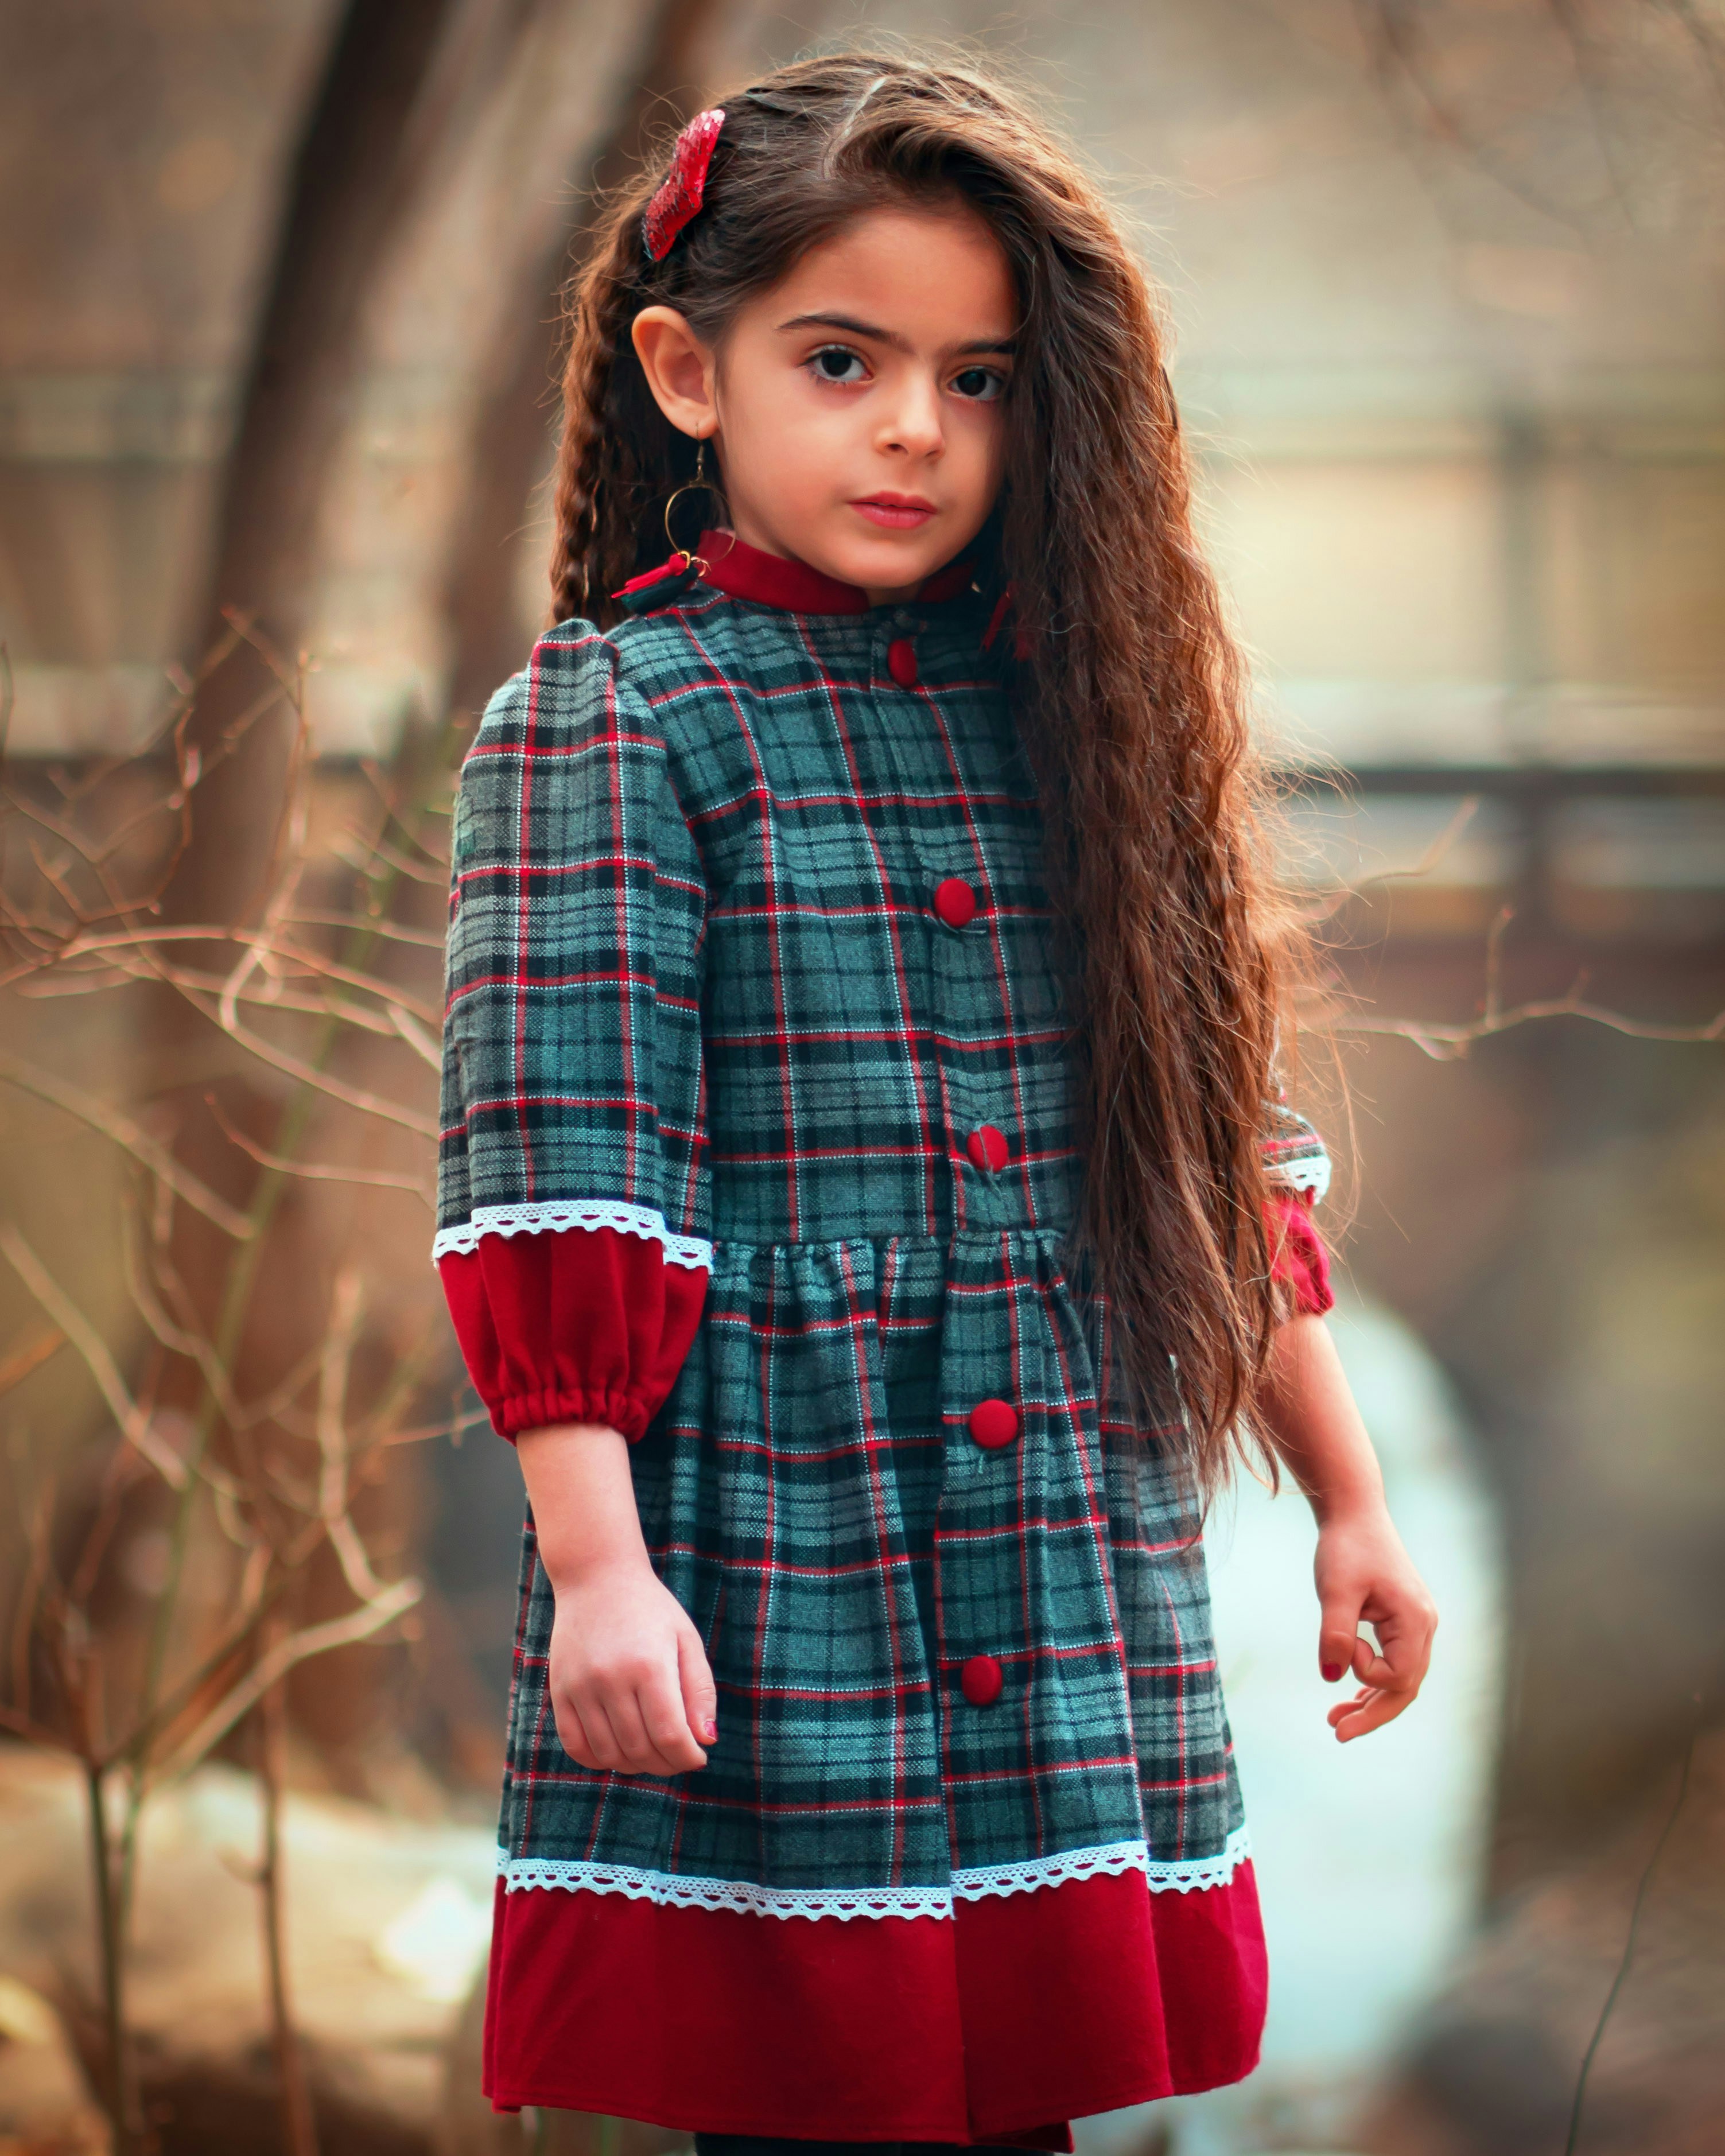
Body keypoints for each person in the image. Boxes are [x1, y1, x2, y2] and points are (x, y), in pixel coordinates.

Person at [434, 50, 1437, 2156]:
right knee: (816, 2094)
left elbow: (1200, 1147)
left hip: (1059, 1541)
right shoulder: (615, 722)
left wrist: (1345, 1492)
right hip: (782, 1534)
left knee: (1025, 2112)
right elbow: (562, 1172)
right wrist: (599, 1569)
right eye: (844, 359)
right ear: (687, 373)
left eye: (978, 380)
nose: (916, 427)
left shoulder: (1077, 700)